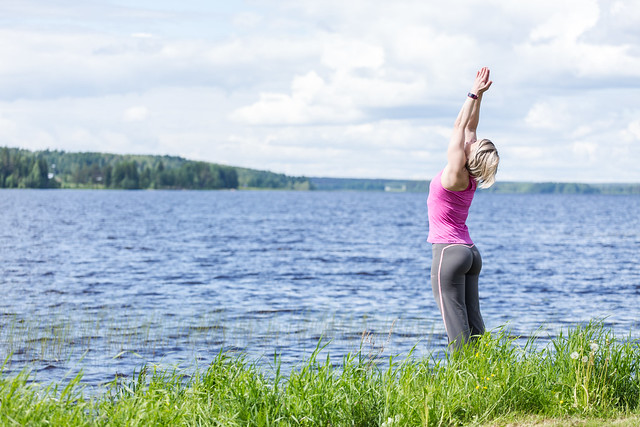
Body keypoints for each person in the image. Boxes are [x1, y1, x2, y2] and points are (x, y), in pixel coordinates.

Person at [427, 67, 499, 352]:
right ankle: (484, 370)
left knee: (455, 325)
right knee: (473, 323)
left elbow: (459, 128)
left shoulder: (456, 172)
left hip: (448, 252)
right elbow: (468, 128)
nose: (471, 139)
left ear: (470, 154)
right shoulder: (470, 176)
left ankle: (462, 379)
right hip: (470, 252)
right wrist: (478, 97)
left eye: (474, 144)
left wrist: (471, 93)